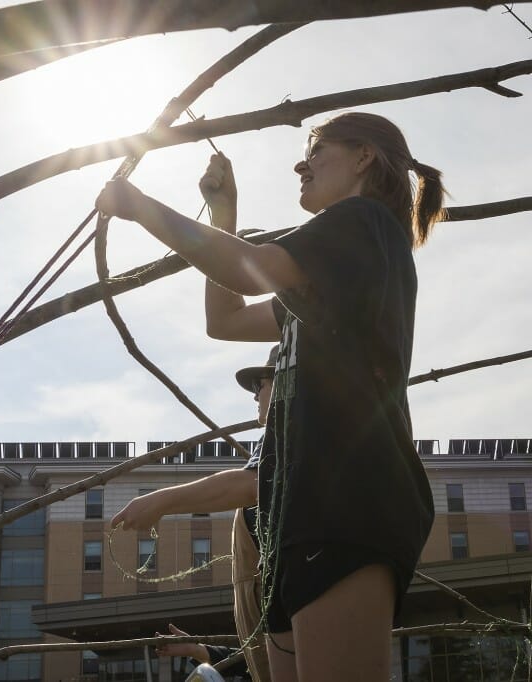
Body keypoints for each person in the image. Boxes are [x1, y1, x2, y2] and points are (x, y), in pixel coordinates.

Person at [97, 111, 441, 682]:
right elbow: (225, 319)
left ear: (364, 157)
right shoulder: (329, 275)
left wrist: (142, 208)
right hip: (300, 518)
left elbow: (249, 271)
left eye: (318, 150)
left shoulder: (361, 224)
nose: (301, 164)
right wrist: (225, 213)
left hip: (346, 504)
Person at [112, 346, 277, 681]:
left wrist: (162, 502)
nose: (255, 396)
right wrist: (196, 651)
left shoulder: (289, 432)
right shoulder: (279, 438)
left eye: (260, 384)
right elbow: (255, 652)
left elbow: (252, 485)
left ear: (286, 383)